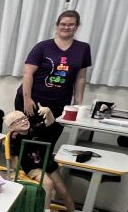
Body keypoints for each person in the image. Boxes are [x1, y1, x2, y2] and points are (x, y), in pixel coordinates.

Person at [16, 10, 92, 140]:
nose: (66, 27)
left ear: (77, 26)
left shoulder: (83, 48)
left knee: (50, 139)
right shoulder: (42, 46)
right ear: (57, 25)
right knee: (27, 139)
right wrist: (27, 100)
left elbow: (80, 77)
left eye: (71, 24)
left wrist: (78, 104)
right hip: (34, 100)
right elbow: (28, 73)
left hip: (60, 103)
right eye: (63, 24)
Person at [4, 109, 81, 212]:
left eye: (24, 118)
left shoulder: (33, 129)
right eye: (18, 121)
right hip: (33, 167)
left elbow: (49, 121)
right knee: (48, 183)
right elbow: (13, 157)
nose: (24, 121)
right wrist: (17, 172)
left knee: (63, 190)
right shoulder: (14, 137)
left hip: (47, 163)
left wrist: (49, 112)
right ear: (11, 127)